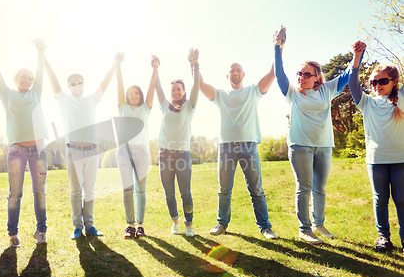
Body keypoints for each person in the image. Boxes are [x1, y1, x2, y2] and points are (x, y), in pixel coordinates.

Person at [274, 26, 360, 244]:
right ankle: (304, 230)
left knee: (319, 188)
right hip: (300, 146)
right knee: (304, 187)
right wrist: (278, 47)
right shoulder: (292, 92)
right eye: (299, 74)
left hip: (323, 146)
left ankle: (318, 224)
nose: (301, 77)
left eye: (306, 74)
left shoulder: (326, 90)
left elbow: (348, 74)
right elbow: (279, 73)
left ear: (316, 78)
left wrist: (357, 55)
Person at [0, 27, 48, 247]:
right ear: (16, 78)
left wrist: (40, 51)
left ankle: (41, 232)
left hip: (38, 150)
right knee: (15, 194)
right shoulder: (6, 93)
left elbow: (40, 72)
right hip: (17, 151)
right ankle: (13, 234)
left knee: (39, 192)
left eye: (30, 78)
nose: (28, 80)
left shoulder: (36, 93)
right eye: (23, 77)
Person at [200, 49, 278, 239]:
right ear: (227, 76)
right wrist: (194, 63)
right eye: (232, 71)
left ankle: (265, 227)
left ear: (243, 74)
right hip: (226, 147)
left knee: (256, 190)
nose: (235, 73)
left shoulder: (253, 90)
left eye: (238, 70)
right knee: (224, 190)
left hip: (249, 147)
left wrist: (278, 47)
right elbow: (200, 84)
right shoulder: (220, 95)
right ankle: (222, 224)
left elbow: (272, 74)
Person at [45, 52, 122, 239]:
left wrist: (115, 63)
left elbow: (105, 82)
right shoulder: (64, 99)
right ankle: (77, 227)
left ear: (83, 84)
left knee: (90, 191)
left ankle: (90, 226)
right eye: (72, 83)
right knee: (76, 191)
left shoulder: (91, 99)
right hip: (74, 151)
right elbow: (53, 78)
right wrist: (44, 56)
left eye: (79, 82)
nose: (76, 85)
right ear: (68, 86)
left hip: (92, 151)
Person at [349, 41, 404, 253]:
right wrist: (357, 57)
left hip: (400, 160)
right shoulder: (367, 103)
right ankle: (383, 237)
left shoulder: (401, 99)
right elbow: (354, 84)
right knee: (380, 199)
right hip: (376, 161)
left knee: (401, 199)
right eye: (373, 81)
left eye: (382, 81)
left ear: (394, 82)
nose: (376, 85)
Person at [154, 49, 200, 237]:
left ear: (183, 92)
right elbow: (157, 88)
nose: (175, 91)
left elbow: (196, 85)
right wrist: (155, 68)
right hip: (165, 154)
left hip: (182, 154)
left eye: (179, 89)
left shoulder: (189, 107)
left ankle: (189, 225)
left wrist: (195, 64)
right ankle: (175, 222)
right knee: (169, 193)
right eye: (173, 89)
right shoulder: (165, 105)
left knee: (185, 193)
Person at [115, 55, 156, 239]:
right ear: (127, 96)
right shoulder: (122, 108)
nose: (134, 95)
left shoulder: (145, 109)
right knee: (127, 189)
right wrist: (118, 65)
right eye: (131, 93)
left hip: (141, 152)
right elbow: (119, 85)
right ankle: (130, 226)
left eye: (136, 93)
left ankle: (140, 225)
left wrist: (155, 69)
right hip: (124, 151)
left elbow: (151, 88)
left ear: (140, 96)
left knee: (141, 190)